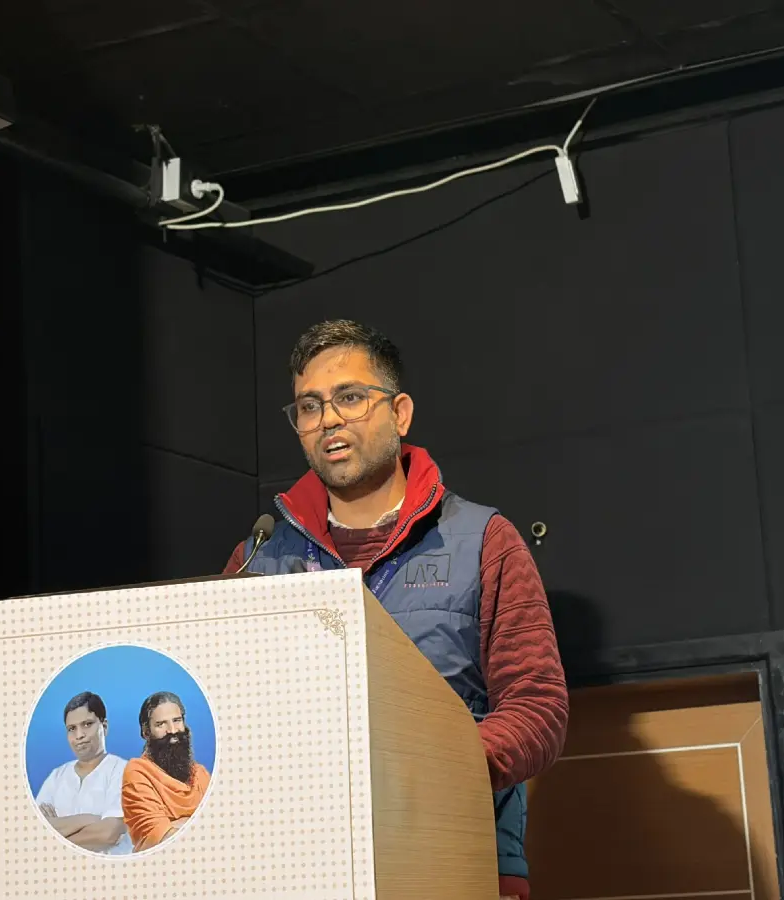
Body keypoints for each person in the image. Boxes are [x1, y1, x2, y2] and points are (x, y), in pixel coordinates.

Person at [225, 320, 569, 900]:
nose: (328, 420)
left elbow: (538, 707)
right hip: (298, 867)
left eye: (350, 398)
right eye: (309, 406)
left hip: (452, 857)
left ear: (400, 413)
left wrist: (428, 769)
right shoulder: (256, 558)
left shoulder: (485, 541)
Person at [33, 691, 132, 854]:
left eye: (87, 724)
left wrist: (55, 837)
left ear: (104, 727)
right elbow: (35, 833)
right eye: (72, 728)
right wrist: (89, 819)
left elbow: (109, 834)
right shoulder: (57, 777)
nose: (79, 735)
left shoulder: (124, 771)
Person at [121, 691, 211, 851]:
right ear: (146, 732)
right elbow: (162, 840)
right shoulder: (137, 772)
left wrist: (177, 825)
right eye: (161, 724)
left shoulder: (201, 775)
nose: (172, 730)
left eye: (177, 721)